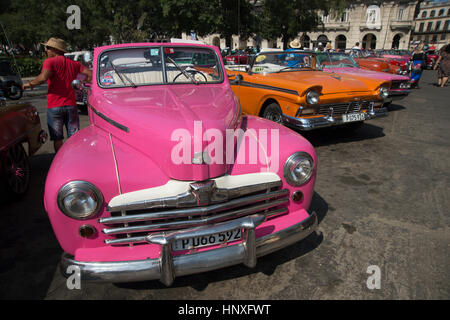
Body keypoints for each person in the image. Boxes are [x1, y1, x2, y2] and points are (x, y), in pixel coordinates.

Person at [22, 38, 92, 153]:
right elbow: (90, 75)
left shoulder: (49, 62)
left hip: (54, 107)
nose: (46, 51)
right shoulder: (75, 64)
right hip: (71, 106)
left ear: (54, 49)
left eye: (48, 48)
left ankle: (60, 162)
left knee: (57, 138)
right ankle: (74, 159)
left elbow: (43, 77)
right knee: (74, 137)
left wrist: (29, 84)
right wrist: (81, 82)